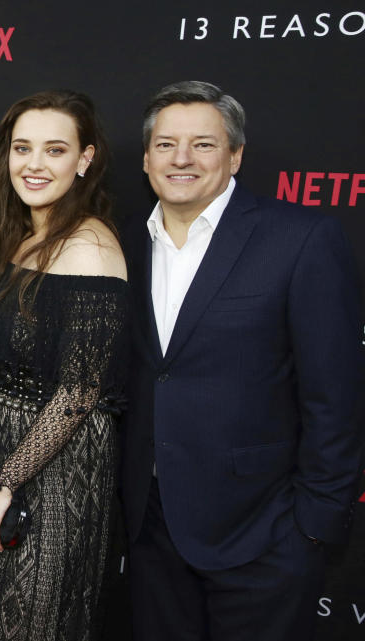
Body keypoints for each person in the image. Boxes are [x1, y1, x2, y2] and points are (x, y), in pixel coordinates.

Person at [121, 80, 364, 641]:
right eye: (165, 144)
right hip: (151, 527)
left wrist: (310, 530)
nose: (181, 158)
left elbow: (337, 397)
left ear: (235, 156)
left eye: (203, 144)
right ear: (146, 157)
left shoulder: (301, 239)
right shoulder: (124, 241)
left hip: (266, 533)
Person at [0, 91, 128, 641]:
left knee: (31, 621)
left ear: (84, 160)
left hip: (57, 470)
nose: (34, 164)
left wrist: (8, 479)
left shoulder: (91, 247)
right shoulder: (19, 235)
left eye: (55, 150)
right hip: (9, 455)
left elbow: (79, 391)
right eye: (22, 148)